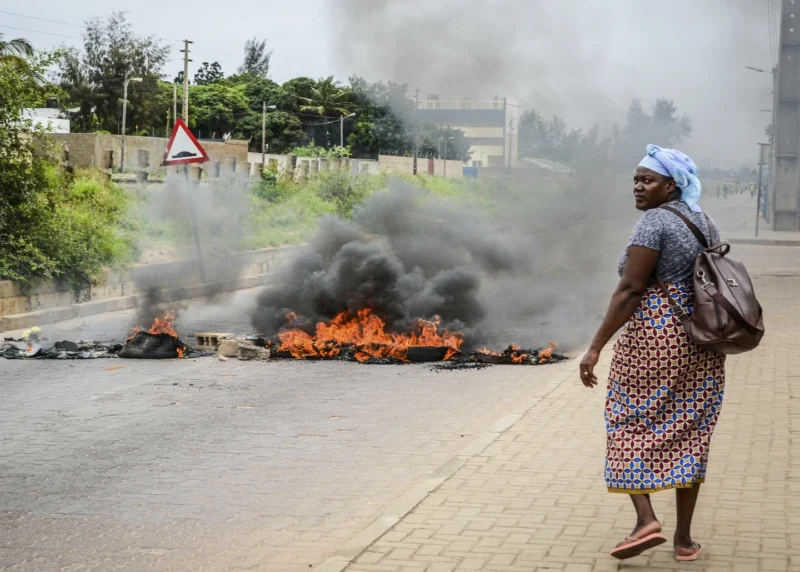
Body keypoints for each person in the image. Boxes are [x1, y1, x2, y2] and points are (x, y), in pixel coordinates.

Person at [579, 144, 724, 563]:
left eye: (647, 180)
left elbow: (630, 290)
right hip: (702, 340)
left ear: (671, 184)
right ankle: (684, 540)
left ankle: (646, 520)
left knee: (626, 419)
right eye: (636, 180)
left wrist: (594, 347)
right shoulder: (705, 221)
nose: (638, 188)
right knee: (692, 431)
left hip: (655, 337)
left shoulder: (653, 224)